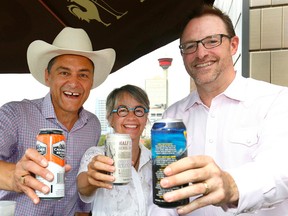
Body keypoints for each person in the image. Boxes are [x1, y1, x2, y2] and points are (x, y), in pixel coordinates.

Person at [149, 5, 288, 216]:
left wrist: (231, 185)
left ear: (233, 45)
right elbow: (165, 193)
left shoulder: (275, 100)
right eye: (190, 46)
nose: (201, 53)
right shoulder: (172, 117)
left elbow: (279, 171)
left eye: (212, 40)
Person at [0, 27, 116, 215]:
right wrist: (13, 176)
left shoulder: (93, 124)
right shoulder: (15, 114)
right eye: (64, 73)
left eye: (83, 75)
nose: (74, 82)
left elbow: (81, 187)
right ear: (48, 76)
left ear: (91, 81)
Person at [77, 84, 152, 216]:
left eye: (139, 110)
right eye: (122, 110)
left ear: (146, 119)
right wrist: (92, 177)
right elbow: (83, 188)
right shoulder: (97, 154)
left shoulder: (153, 160)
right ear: (110, 118)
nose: (131, 117)